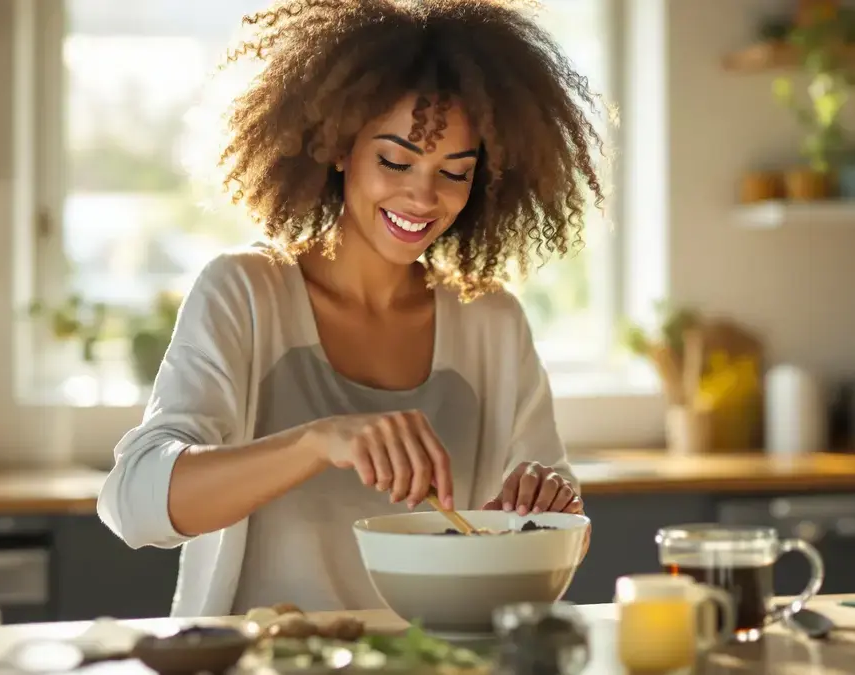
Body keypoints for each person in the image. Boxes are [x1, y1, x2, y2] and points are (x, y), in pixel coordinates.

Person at [97, 0, 609, 618]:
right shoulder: (247, 293)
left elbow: (556, 535)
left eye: (455, 173)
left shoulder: (491, 322)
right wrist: (318, 442)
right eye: (395, 161)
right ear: (340, 147)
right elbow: (133, 504)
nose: (423, 196)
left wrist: (545, 517)